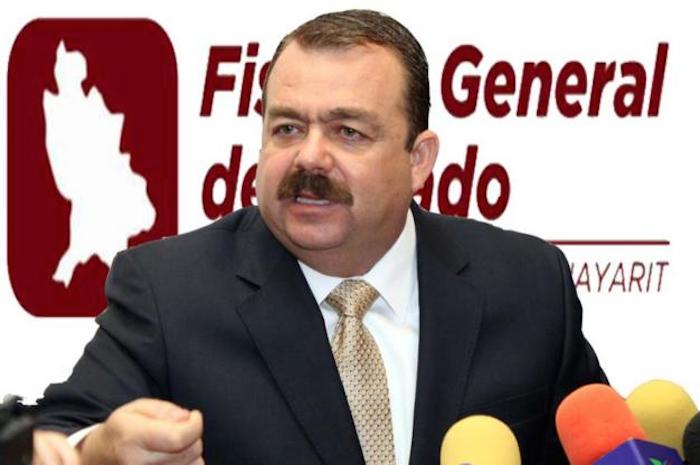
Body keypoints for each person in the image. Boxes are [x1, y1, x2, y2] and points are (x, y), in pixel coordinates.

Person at [32, 9, 605, 465]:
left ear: (418, 160)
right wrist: (97, 452)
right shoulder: (170, 293)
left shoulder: (528, 285)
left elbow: (602, 443)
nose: (309, 157)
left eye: (347, 132)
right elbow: (58, 433)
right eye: (287, 128)